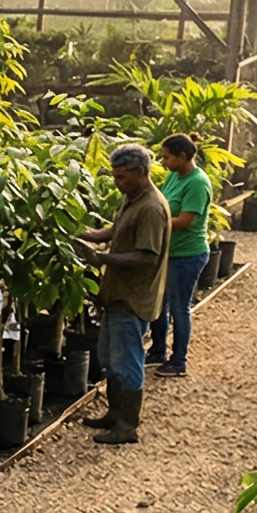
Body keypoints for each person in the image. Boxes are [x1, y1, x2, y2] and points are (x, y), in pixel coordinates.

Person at [77, 143, 171, 445]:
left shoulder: (152, 208)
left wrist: (101, 258)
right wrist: (88, 234)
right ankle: (114, 414)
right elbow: (117, 231)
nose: (116, 183)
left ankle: (127, 426)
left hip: (133, 299)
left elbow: (147, 257)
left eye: (121, 177)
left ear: (140, 172)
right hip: (117, 296)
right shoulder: (132, 198)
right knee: (110, 358)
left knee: (127, 363)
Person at [146, 133, 214, 378]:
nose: (163, 162)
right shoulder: (175, 176)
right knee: (159, 305)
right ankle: (158, 351)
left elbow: (185, 221)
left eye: (167, 157)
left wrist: (154, 224)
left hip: (187, 255)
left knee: (179, 307)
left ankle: (178, 360)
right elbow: (162, 203)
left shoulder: (197, 182)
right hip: (169, 252)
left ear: (182, 157)